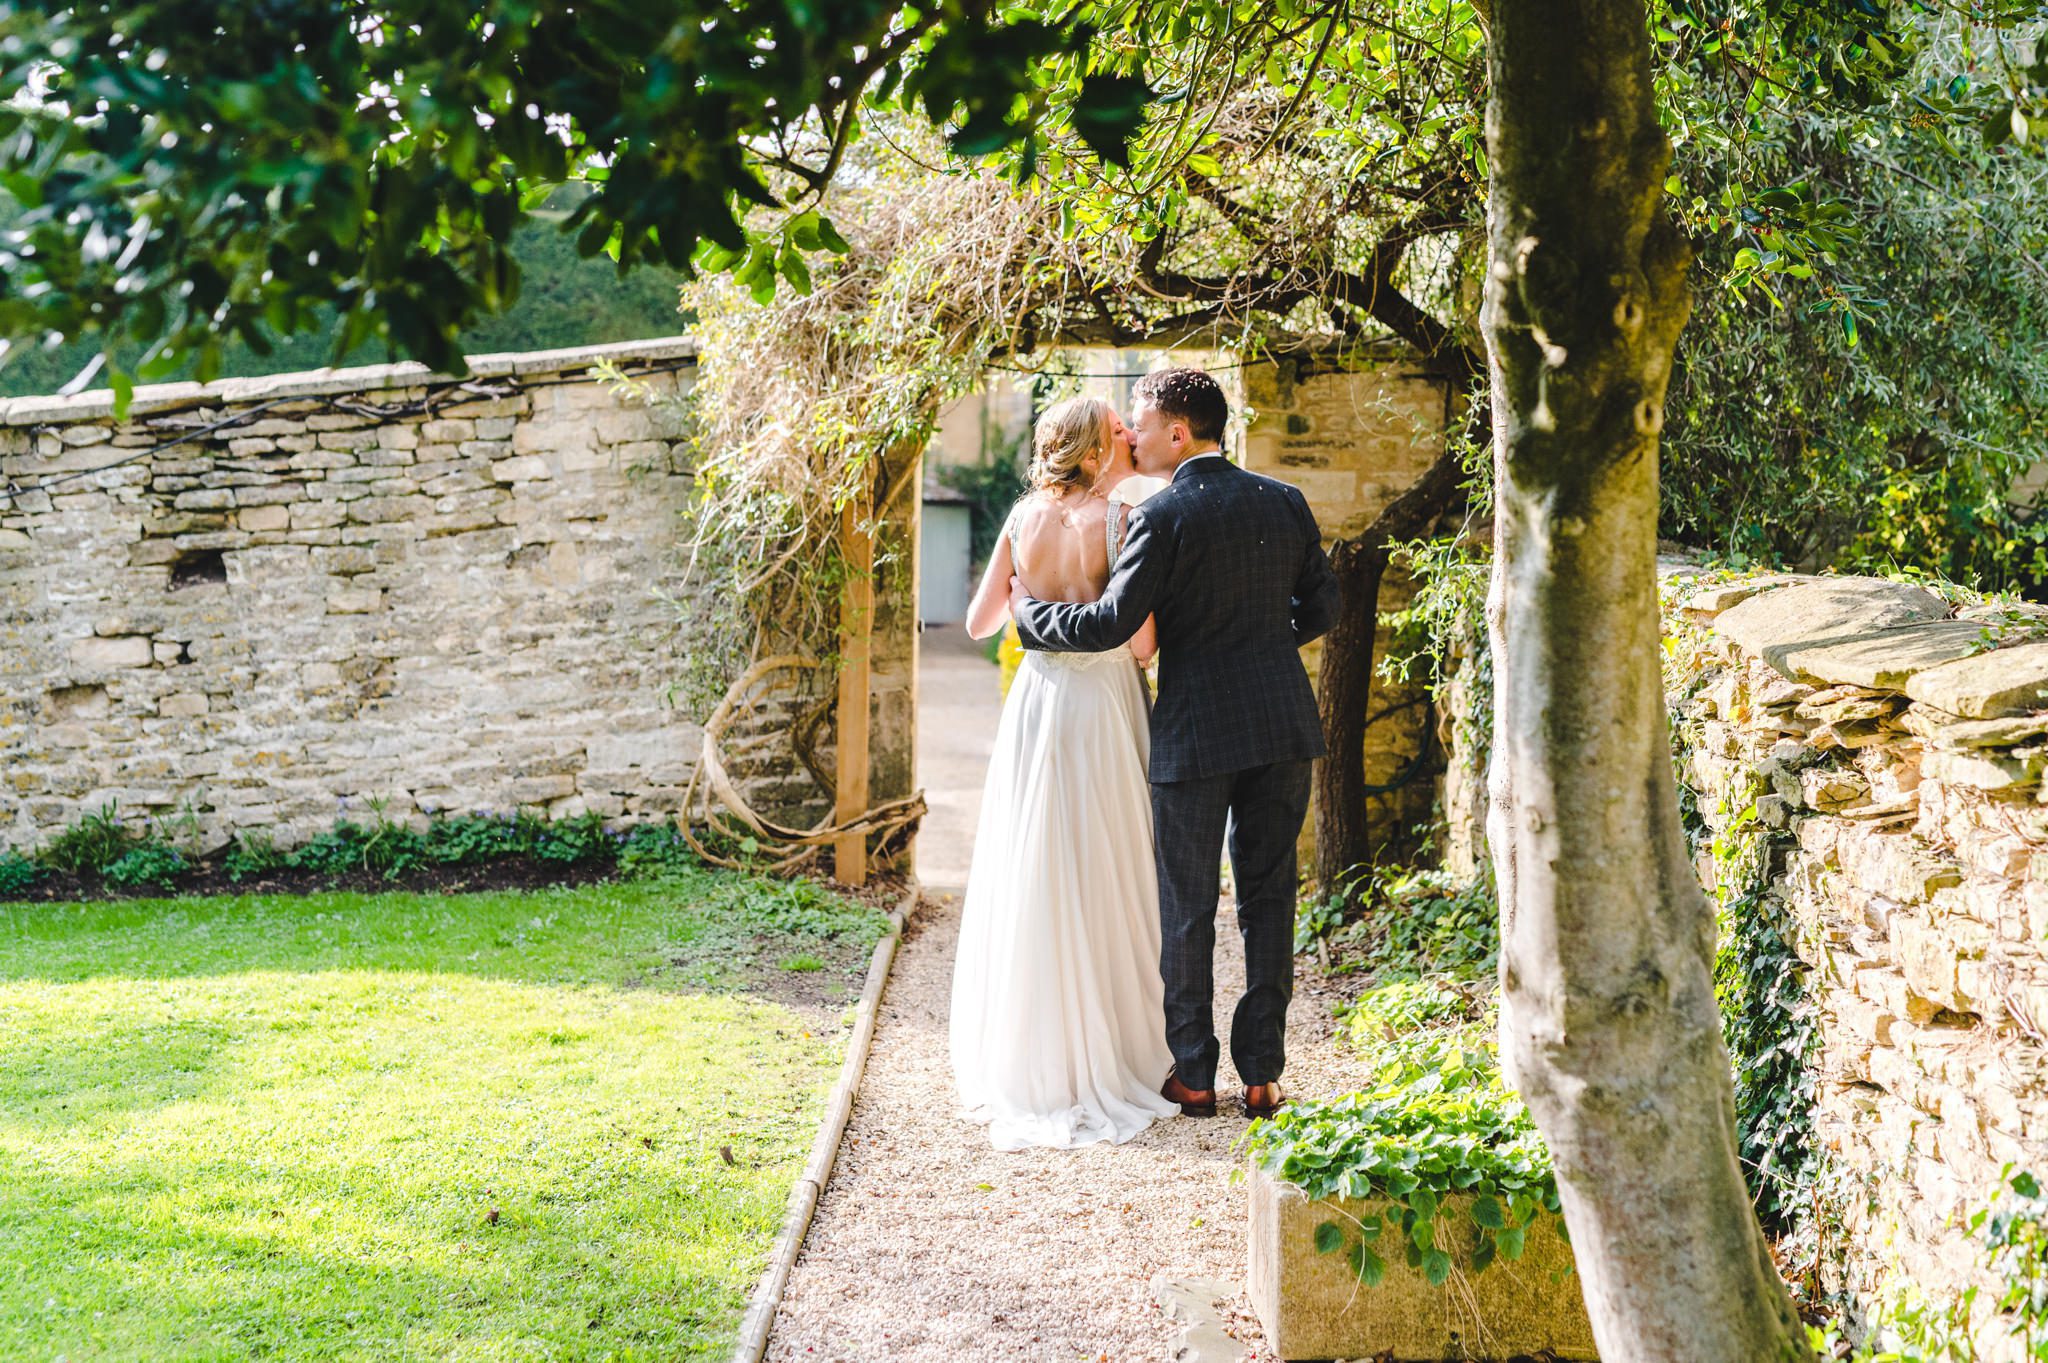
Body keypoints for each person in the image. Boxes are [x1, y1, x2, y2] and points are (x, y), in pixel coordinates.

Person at [1008, 368, 1339, 1120]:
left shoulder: (1163, 515)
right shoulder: (1282, 500)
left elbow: (1114, 624)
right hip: (1281, 724)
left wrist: (1031, 620)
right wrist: (1265, 641)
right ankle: (1262, 1075)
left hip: (1195, 730)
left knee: (1186, 904)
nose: (1133, 432)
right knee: (1268, 897)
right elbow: (1325, 601)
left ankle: (1193, 1076)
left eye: (1143, 423)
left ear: (1178, 433)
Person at [948, 395, 1177, 1151]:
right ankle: (1118, 1048)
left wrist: (1028, 602)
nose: (1125, 436)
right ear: (1088, 453)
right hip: (1106, 705)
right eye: (1115, 430)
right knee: (1110, 865)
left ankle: (1035, 1056)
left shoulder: (1020, 520)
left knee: (1037, 863)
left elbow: (982, 622)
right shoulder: (1123, 521)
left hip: (1039, 705)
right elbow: (1141, 647)